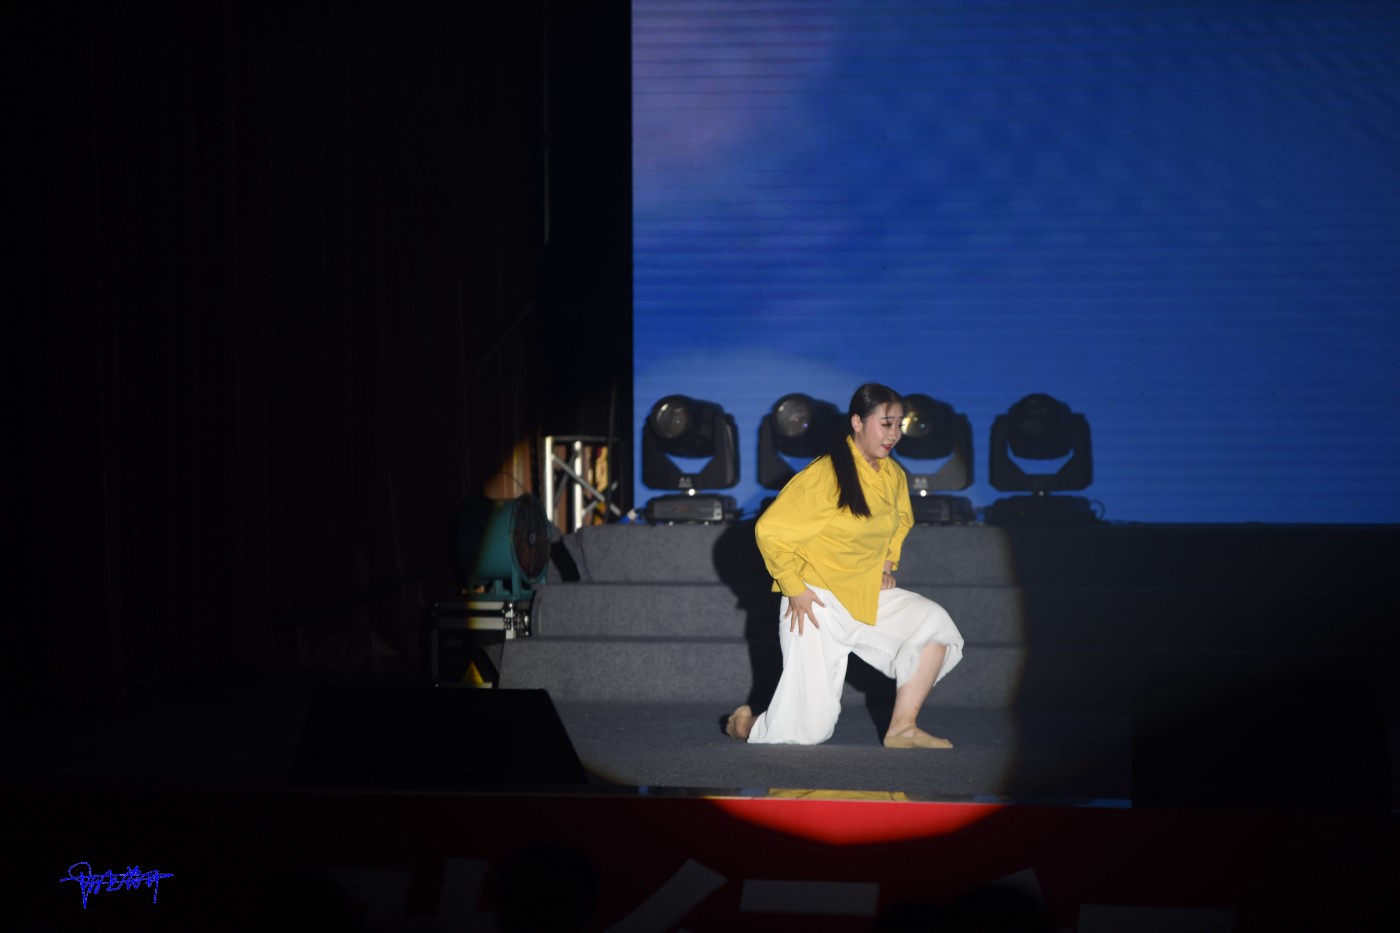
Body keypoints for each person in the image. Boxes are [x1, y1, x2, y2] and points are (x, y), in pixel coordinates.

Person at [726, 383, 964, 748]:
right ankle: (742, 724)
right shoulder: (825, 475)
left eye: (899, 425)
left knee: (934, 626)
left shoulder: (893, 475)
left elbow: (900, 522)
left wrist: (886, 564)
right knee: (806, 732)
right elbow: (769, 531)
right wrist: (795, 589)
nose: (894, 434)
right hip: (815, 603)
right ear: (857, 422)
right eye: (885, 424)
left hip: (864, 593)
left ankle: (902, 728)